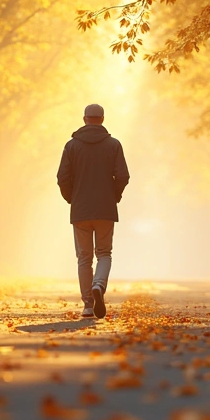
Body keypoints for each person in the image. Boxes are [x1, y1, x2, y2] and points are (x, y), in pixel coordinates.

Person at [57, 103, 130, 319]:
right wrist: (113, 196)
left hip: (80, 210)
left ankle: (88, 304)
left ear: (84, 119)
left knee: (84, 258)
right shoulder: (114, 145)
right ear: (103, 119)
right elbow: (123, 176)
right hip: (105, 210)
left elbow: (62, 178)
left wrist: (73, 199)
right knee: (104, 254)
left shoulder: (71, 146)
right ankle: (99, 285)